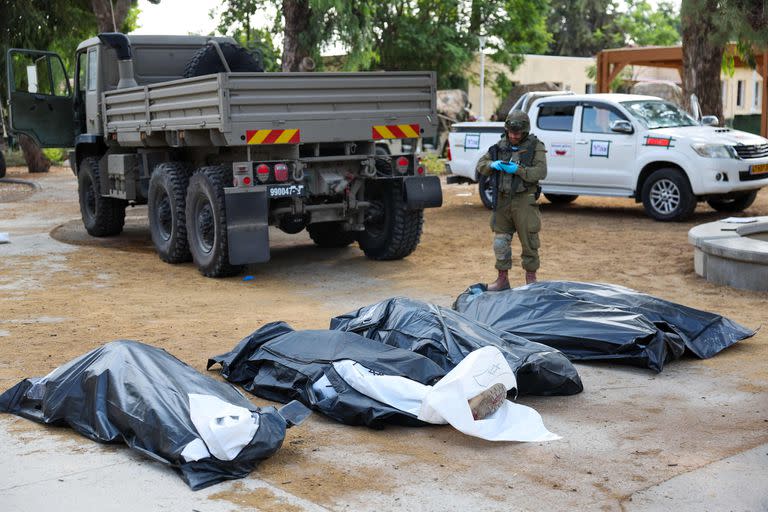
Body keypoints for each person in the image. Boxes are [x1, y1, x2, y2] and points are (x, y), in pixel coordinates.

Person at [476, 110, 547, 290]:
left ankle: (531, 282)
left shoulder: (535, 146)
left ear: (525, 131)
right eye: (511, 132)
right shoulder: (499, 147)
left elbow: (540, 172)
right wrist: (493, 164)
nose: (514, 136)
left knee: (529, 242)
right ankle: (502, 280)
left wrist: (518, 170)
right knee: (500, 243)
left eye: (518, 133)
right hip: (502, 200)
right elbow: (481, 165)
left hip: (524, 200)